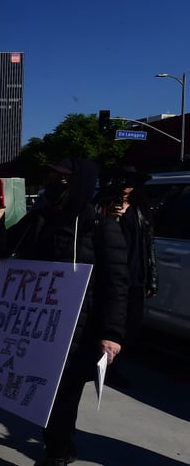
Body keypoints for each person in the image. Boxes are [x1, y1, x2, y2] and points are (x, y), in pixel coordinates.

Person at [0, 157, 129, 466]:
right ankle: (60, 446)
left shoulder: (100, 228)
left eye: (63, 180)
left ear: (79, 184)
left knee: (62, 398)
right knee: (41, 396)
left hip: (78, 332)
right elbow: (1, 249)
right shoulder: (39, 220)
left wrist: (111, 334)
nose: (55, 185)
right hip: (36, 331)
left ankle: (58, 453)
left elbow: (115, 286)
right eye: (52, 178)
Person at [98, 164, 158, 387]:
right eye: (123, 181)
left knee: (133, 326)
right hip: (112, 275)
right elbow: (92, 232)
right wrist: (110, 216)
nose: (126, 187)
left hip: (135, 276)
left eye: (131, 183)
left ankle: (115, 365)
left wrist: (152, 278)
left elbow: (148, 245)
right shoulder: (103, 203)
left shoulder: (141, 208)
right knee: (111, 324)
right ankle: (107, 370)